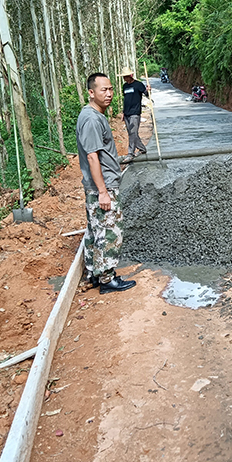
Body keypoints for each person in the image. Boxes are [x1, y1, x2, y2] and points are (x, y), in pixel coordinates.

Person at [76, 72, 136, 294]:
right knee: (111, 231)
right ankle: (107, 280)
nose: (109, 94)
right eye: (104, 90)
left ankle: (94, 273)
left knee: (95, 230)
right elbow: (92, 157)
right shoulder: (91, 119)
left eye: (111, 89)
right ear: (91, 92)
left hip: (101, 185)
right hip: (103, 187)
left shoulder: (94, 115)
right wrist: (103, 191)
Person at [119, 66, 150, 163]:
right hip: (127, 113)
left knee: (133, 133)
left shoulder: (138, 85)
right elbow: (125, 100)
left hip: (135, 113)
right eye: (123, 77)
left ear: (130, 76)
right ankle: (142, 149)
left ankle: (130, 154)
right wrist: (123, 112)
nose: (125, 78)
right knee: (132, 133)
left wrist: (148, 90)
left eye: (126, 76)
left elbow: (146, 94)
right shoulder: (125, 86)